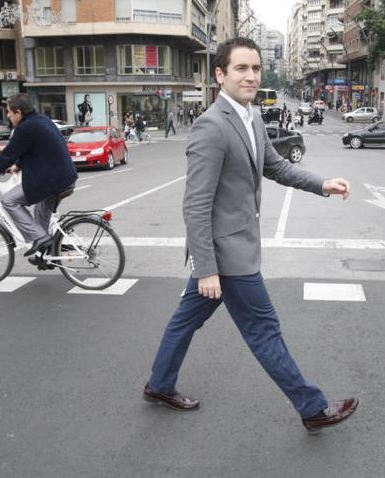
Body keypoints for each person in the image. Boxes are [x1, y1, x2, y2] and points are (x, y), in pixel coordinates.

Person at [143, 37, 358, 433]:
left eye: (256, 68)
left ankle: (159, 385)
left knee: (183, 321)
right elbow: (196, 203)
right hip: (228, 257)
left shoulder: (251, 115)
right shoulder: (211, 126)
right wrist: (207, 268)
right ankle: (312, 407)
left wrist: (322, 184)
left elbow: (275, 167)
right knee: (264, 331)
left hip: (230, 248)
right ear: (220, 74)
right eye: (241, 68)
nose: (251, 76)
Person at [0, 93, 78, 258]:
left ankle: (42, 239)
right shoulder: (42, 120)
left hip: (52, 181)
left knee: (8, 201)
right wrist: (19, 165)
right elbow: (38, 149)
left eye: (9, 112)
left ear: (18, 112)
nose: (8, 116)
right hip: (66, 177)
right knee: (39, 213)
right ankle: (47, 254)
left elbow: (5, 157)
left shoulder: (25, 128)